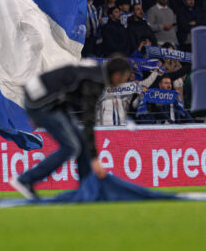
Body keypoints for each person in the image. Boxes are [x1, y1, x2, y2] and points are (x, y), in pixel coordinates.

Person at [9, 58, 132, 199]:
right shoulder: (95, 82)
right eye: (124, 79)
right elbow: (89, 122)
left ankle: (87, 188)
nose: (122, 83)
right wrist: (94, 159)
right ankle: (25, 180)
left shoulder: (93, 71)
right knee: (71, 147)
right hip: (42, 104)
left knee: (81, 143)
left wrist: (33, 104)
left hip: (43, 99)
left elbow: (64, 82)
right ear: (116, 75)